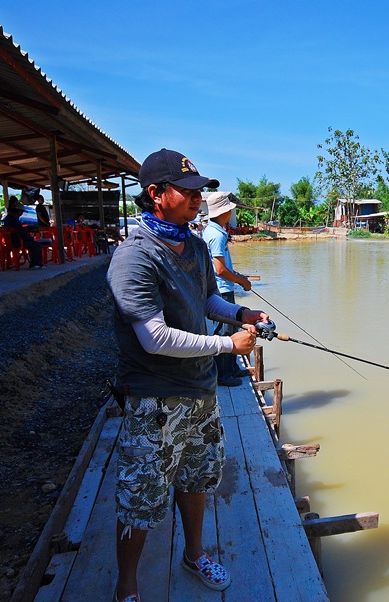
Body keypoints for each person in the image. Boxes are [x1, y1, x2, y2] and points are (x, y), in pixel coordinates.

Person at [106, 148, 268, 602]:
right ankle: (127, 589)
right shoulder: (134, 257)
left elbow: (207, 304)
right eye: (189, 190)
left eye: (201, 191)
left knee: (197, 477)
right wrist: (226, 344)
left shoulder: (194, 245)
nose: (198, 198)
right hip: (154, 397)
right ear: (156, 194)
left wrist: (240, 313)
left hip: (200, 390)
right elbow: (154, 337)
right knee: (140, 496)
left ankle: (194, 555)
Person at [202, 191, 253, 386]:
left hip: (223, 287)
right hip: (221, 290)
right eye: (230, 211)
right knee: (224, 332)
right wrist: (241, 281)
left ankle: (232, 368)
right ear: (223, 213)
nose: (231, 214)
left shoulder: (215, 231)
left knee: (231, 328)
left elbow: (222, 266)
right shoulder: (217, 235)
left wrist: (237, 275)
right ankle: (223, 375)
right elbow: (220, 270)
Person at [2, 197, 44, 269]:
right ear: (17, 211)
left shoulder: (8, 219)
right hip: (17, 241)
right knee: (36, 245)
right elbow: (22, 233)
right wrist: (30, 238)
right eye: (21, 212)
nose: (21, 214)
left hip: (10, 241)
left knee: (33, 244)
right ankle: (35, 264)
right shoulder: (14, 220)